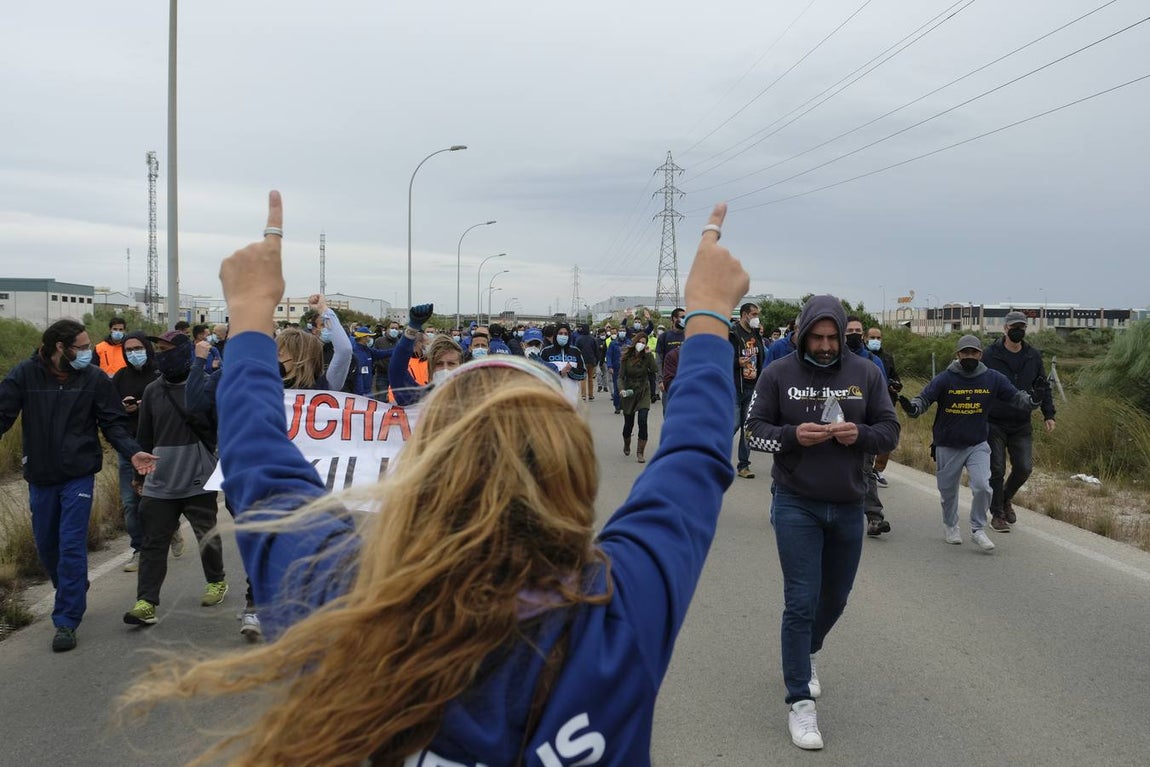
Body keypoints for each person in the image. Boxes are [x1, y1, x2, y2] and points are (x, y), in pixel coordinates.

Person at [121, 192, 748, 766]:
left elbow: (255, 449)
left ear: (420, 470)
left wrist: (251, 312)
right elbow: (694, 453)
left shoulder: (338, 591)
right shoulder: (620, 611)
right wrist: (710, 313)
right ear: (575, 482)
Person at [745, 295, 900, 750]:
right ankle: (800, 704)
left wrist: (862, 436)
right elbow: (754, 432)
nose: (828, 345)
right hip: (796, 503)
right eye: (818, 337)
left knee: (835, 596)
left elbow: (890, 431)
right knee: (800, 599)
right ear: (802, 333)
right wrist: (792, 437)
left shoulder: (866, 374)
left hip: (848, 504)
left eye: (834, 337)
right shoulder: (778, 375)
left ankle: (806, 652)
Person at [0, 319, 157, 651]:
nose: (90, 353)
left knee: (71, 544)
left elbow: (113, 424)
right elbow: (3, 413)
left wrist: (133, 452)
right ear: (60, 347)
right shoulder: (25, 374)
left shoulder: (95, 379)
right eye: (83, 348)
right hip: (40, 475)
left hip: (78, 474)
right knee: (46, 545)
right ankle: (72, 586)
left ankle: (67, 620)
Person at [898, 335, 1047, 551]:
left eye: (974, 352)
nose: (969, 356)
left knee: (983, 487)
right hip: (948, 444)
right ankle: (951, 526)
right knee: (948, 493)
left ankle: (978, 529)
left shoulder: (992, 378)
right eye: (965, 353)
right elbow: (923, 400)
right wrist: (912, 408)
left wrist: (1035, 399)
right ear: (957, 355)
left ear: (980, 354)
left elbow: (1017, 398)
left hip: (977, 444)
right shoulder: (945, 379)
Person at [122, 331, 228, 628]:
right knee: (154, 541)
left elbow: (217, 430)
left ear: (184, 352)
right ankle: (146, 602)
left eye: (166, 349)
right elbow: (144, 436)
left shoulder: (206, 387)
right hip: (159, 478)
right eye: (158, 349)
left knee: (206, 533)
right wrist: (138, 475)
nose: (160, 353)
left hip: (198, 476)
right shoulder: (154, 390)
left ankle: (216, 581)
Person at [980, 311, 1056, 532]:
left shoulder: (1033, 355)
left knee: (1024, 468)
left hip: (1021, 422)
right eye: (1014, 326)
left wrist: (1048, 414)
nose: (1018, 330)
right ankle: (997, 514)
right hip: (993, 421)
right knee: (996, 469)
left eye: (1022, 327)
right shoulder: (990, 354)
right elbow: (977, 380)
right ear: (1005, 329)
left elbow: (1042, 386)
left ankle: (1004, 498)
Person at [111, 332, 160, 572]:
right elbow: (109, 410)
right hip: (128, 448)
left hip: (157, 447)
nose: (133, 353)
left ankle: (167, 533)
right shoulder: (120, 377)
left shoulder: (161, 374)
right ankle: (139, 549)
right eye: (128, 350)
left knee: (157, 502)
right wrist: (124, 408)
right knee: (131, 502)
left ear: (147, 348)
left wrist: (144, 404)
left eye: (137, 348)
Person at [845, 315, 890, 537]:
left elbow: (881, 396)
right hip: (836, 425)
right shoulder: (834, 358)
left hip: (864, 426)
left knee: (865, 470)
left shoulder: (873, 361)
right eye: (849, 331)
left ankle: (874, 517)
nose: (853, 334)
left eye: (857, 331)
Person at [389, 304, 462, 406]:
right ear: (430, 367)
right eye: (439, 364)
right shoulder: (418, 397)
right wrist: (412, 328)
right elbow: (396, 369)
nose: (445, 369)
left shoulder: (473, 398)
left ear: (460, 365)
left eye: (451, 364)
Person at [865, 325, 902, 488]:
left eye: (878, 338)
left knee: (886, 436)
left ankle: (878, 469)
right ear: (865, 339)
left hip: (885, 402)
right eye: (872, 338)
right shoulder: (861, 356)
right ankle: (865, 469)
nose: (875, 341)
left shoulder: (887, 358)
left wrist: (896, 385)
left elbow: (894, 377)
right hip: (865, 404)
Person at [730, 302, 764, 479]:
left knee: (748, 427)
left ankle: (743, 466)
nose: (756, 317)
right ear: (744, 315)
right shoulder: (732, 334)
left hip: (752, 386)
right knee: (733, 424)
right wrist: (738, 363)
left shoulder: (756, 334)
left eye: (757, 314)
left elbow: (760, 358)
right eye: (753, 314)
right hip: (735, 387)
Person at [618, 332, 660, 463]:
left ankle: (640, 452)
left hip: (643, 390)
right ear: (635, 342)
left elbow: (654, 370)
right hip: (629, 391)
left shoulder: (646, 356)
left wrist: (649, 354)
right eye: (640, 341)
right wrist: (621, 389)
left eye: (644, 342)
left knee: (643, 420)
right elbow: (620, 377)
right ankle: (626, 443)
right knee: (628, 425)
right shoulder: (626, 358)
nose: (642, 344)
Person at [539, 322, 587, 386]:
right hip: (552, 393)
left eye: (566, 334)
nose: (563, 336)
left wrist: (571, 371)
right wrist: (559, 373)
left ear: (569, 336)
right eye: (560, 333)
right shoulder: (546, 351)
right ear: (556, 335)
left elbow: (583, 374)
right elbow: (540, 374)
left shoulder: (575, 351)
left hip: (571, 395)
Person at [574, 324, 600, 401]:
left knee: (583, 378)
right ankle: (591, 395)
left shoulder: (579, 339)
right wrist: (596, 360)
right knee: (590, 379)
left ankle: (583, 395)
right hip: (591, 361)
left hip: (582, 361)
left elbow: (576, 351)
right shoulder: (593, 339)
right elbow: (597, 351)